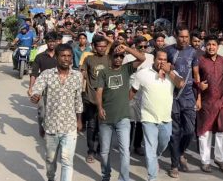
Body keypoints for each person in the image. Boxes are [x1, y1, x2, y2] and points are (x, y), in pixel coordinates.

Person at [30, 44, 83, 181]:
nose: (66, 59)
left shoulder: (77, 76)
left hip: (70, 126)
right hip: (51, 125)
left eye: (69, 56)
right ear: (57, 58)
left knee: (67, 161)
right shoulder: (47, 74)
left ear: (72, 58)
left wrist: (79, 120)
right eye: (63, 56)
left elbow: (78, 100)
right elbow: (36, 90)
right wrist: (35, 96)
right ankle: (50, 178)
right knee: (50, 161)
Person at [131, 50, 185, 181]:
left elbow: (181, 84)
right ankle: (152, 177)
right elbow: (132, 91)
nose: (162, 62)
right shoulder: (143, 74)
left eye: (164, 59)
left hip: (166, 118)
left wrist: (169, 72)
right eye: (159, 59)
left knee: (163, 143)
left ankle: (156, 157)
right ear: (154, 59)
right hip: (148, 117)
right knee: (150, 148)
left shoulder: (172, 74)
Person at [96, 44, 146, 181]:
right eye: (116, 56)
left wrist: (127, 49)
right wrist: (100, 108)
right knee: (105, 151)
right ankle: (106, 176)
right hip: (106, 118)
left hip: (123, 117)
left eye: (121, 56)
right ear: (111, 57)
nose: (118, 59)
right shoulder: (104, 72)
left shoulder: (126, 68)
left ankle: (124, 178)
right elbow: (99, 92)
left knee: (125, 151)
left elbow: (142, 58)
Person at [193, 35, 223, 173]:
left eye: (214, 45)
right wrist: (198, 85)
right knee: (205, 132)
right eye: (209, 44)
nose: (211, 47)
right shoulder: (200, 60)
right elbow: (193, 79)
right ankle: (205, 161)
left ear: (218, 46)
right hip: (205, 101)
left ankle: (219, 159)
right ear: (205, 46)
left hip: (222, 101)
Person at [165, 26, 199, 178]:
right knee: (175, 133)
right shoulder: (168, 51)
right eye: (181, 36)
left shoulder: (193, 52)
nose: (184, 39)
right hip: (172, 97)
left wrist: (199, 96)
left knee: (190, 130)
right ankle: (174, 165)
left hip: (189, 96)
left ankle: (180, 153)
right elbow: (161, 69)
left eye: (187, 36)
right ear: (175, 36)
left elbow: (196, 74)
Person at [82, 35, 112, 163]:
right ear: (94, 46)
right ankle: (91, 151)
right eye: (99, 46)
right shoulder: (89, 59)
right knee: (92, 126)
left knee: (104, 126)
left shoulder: (110, 59)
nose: (102, 48)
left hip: (106, 99)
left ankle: (101, 149)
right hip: (91, 99)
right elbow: (82, 74)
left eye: (104, 46)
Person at [125, 36, 155, 156]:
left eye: (145, 46)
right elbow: (124, 74)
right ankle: (127, 145)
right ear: (135, 46)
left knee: (142, 121)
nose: (143, 49)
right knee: (130, 121)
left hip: (145, 94)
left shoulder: (151, 57)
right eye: (140, 46)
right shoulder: (128, 57)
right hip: (131, 92)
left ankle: (138, 145)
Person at [29, 32, 60, 137]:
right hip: (42, 88)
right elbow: (34, 73)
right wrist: (31, 88)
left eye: (53, 41)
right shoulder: (39, 57)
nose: (51, 43)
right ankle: (41, 126)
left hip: (57, 87)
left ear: (56, 42)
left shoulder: (60, 56)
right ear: (46, 42)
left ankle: (53, 130)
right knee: (42, 112)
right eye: (49, 41)